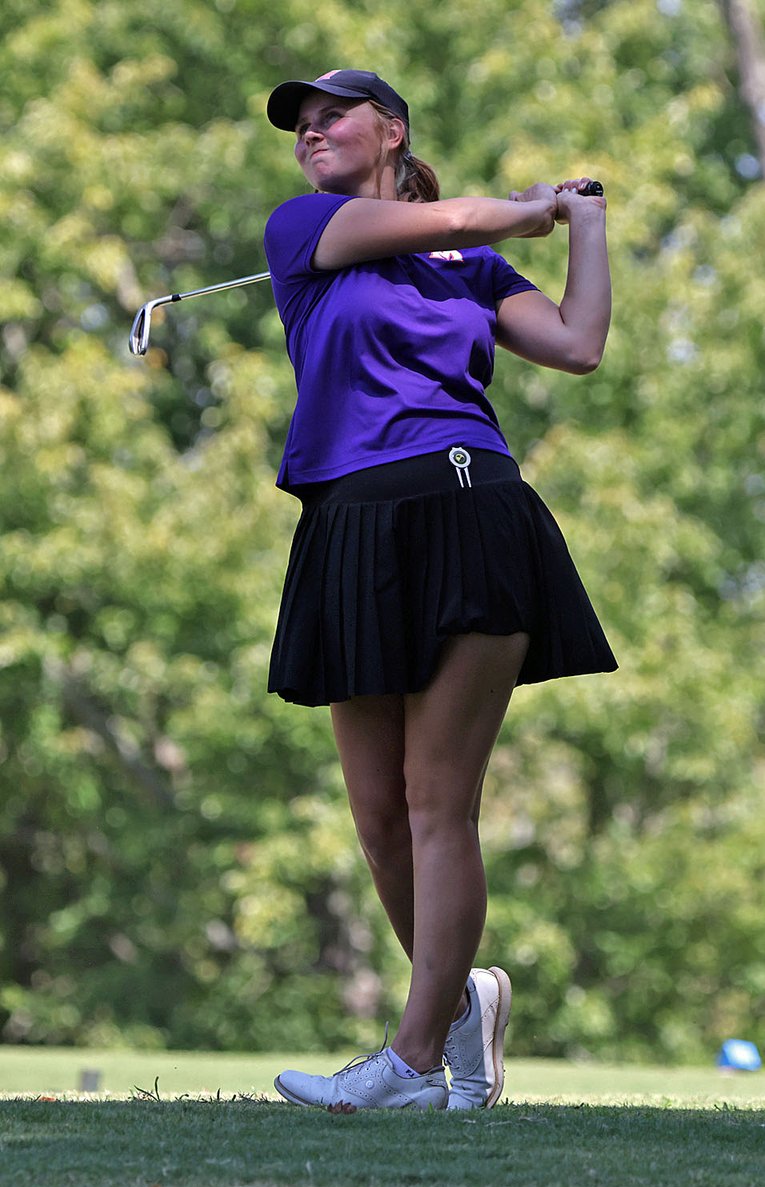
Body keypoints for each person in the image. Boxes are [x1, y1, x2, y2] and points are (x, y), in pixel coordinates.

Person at [262, 69, 616, 1112]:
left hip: (468, 509)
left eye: (333, 113)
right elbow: (453, 212)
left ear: (392, 128)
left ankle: (414, 1059)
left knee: (433, 799)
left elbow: (577, 344)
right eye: (301, 123)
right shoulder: (307, 229)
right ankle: (462, 1010)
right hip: (347, 525)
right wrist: (531, 206)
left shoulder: (474, 266)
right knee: (377, 815)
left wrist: (584, 225)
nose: (312, 131)